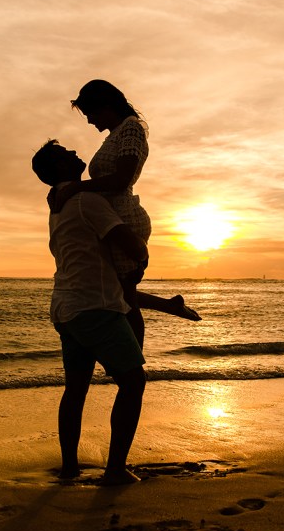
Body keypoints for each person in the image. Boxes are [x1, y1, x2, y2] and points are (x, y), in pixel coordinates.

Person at [49, 79, 200, 348]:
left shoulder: (130, 130)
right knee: (119, 290)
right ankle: (168, 308)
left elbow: (121, 179)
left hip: (124, 218)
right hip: (112, 216)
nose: (89, 121)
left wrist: (74, 187)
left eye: (91, 113)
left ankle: (134, 367)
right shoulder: (117, 133)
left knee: (126, 298)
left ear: (106, 105)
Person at [32, 139, 148, 485]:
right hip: (95, 306)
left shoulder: (57, 207)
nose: (73, 153)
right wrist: (139, 256)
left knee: (76, 388)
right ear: (58, 168)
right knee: (133, 382)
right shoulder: (87, 201)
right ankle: (114, 470)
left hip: (66, 308)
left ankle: (69, 468)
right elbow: (132, 246)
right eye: (65, 153)